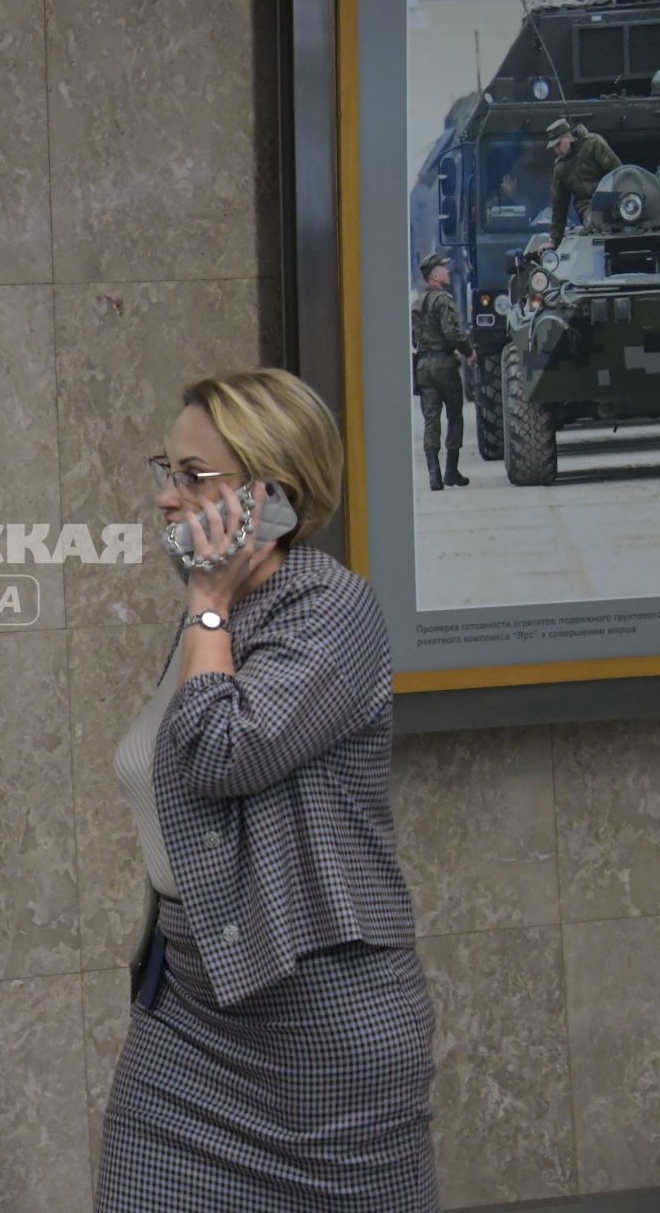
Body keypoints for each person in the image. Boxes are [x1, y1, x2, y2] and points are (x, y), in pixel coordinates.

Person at [98, 369, 436, 1211]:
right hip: (188, 1016)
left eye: (194, 476)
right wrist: (211, 607)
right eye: (165, 470)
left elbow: (222, 754)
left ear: (268, 499)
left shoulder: (330, 610)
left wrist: (206, 600)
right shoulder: (220, 617)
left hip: (320, 1028)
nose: (168, 499)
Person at [411, 253, 472, 490]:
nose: (448, 272)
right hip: (444, 365)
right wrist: (468, 351)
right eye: (443, 269)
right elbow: (452, 333)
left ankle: (433, 475)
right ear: (435, 276)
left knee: (431, 418)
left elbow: (414, 337)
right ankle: (451, 471)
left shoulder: (416, 304)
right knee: (455, 414)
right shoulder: (443, 300)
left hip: (423, 366)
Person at [547, 116, 621, 243]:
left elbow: (618, 173)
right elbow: (559, 205)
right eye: (554, 147)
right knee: (595, 222)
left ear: (567, 138)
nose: (556, 150)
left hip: (611, 197)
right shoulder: (560, 168)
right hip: (587, 206)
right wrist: (554, 240)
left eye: (558, 144)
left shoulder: (593, 144)